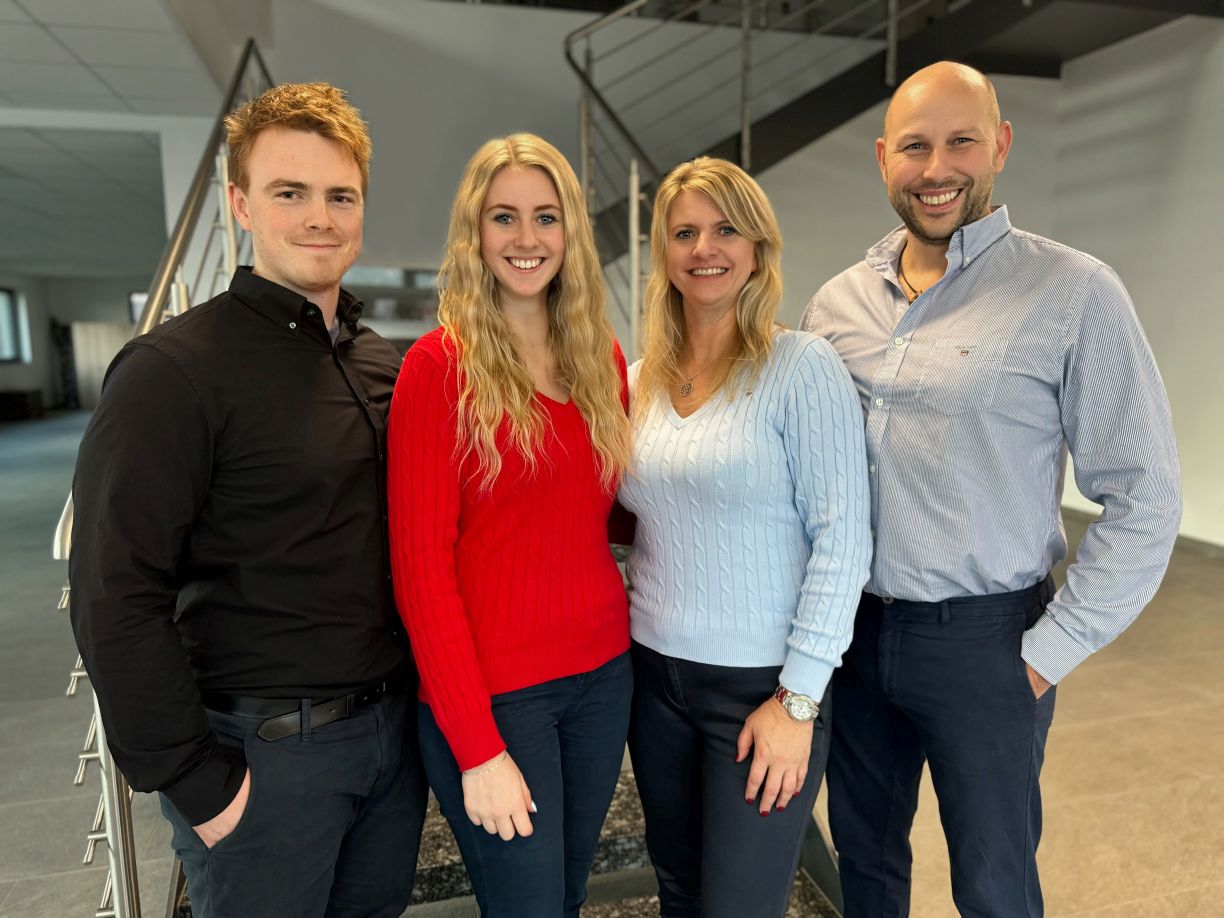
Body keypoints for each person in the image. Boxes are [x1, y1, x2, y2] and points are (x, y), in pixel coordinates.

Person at [801, 61, 1182, 918]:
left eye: (961, 142)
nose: (937, 169)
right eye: (915, 147)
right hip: (853, 638)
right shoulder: (836, 305)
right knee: (864, 871)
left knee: (994, 888)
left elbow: (1146, 495)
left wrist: (1047, 657)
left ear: (1001, 146)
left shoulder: (1073, 291)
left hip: (987, 645)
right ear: (883, 158)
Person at [69, 82, 427, 918]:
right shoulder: (171, 373)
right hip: (264, 761)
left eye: (341, 196)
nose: (320, 217)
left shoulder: (382, 363)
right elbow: (114, 592)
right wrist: (193, 780)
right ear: (240, 205)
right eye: (289, 192)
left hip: (390, 743)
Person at [618, 156, 872, 918]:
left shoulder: (802, 368)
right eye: (684, 232)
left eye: (726, 229)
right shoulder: (638, 381)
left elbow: (843, 542)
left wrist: (798, 701)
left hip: (761, 688)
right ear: (664, 253)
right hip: (654, 678)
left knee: (741, 905)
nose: (705, 248)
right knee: (678, 889)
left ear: (758, 248)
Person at [387, 133, 632, 918]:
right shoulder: (438, 369)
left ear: (570, 232)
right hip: (498, 698)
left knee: (565, 897)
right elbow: (421, 573)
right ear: (475, 231)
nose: (527, 238)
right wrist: (477, 746)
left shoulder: (601, 359)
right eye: (504, 217)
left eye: (546, 217)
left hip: (604, 676)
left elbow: (606, 512)